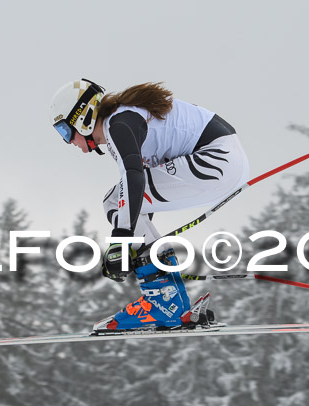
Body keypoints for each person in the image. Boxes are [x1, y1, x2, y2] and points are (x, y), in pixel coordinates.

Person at [49, 79, 250, 332]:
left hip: (216, 159)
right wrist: (132, 244)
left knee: (115, 202)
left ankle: (164, 302)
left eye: (65, 132)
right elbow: (140, 201)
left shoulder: (118, 124)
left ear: (83, 117)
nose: (68, 142)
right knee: (122, 205)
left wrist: (121, 242)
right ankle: (170, 301)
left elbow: (133, 175)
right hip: (224, 159)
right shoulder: (124, 118)